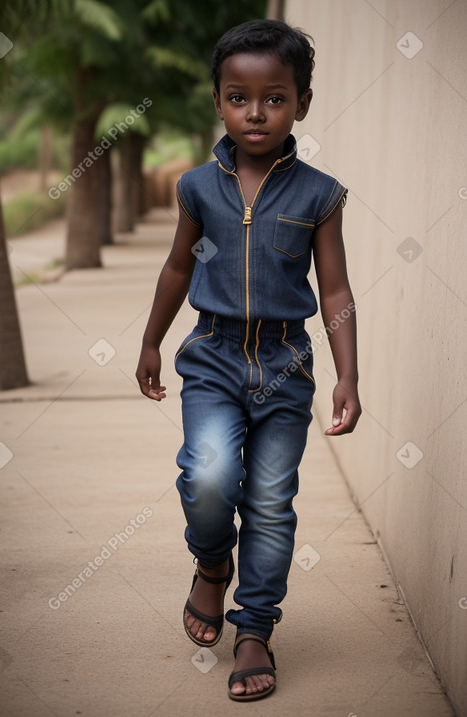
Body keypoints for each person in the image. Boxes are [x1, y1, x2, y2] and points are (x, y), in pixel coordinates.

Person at [136, 18, 361, 702]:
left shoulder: (320, 193)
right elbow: (179, 266)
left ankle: (255, 627)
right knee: (208, 475)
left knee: (269, 500)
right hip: (212, 356)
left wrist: (349, 372)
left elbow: (337, 288)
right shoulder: (197, 188)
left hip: (287, 365)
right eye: (239, 97)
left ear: (302, 103)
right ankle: (211, 562)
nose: (255, 112)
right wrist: (150, 339)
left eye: (274, 98)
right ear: (218, 102)